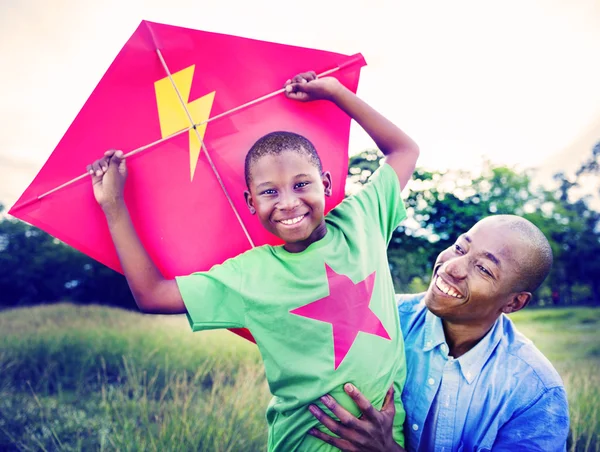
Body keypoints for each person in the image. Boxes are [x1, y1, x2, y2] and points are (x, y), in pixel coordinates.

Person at [87, 71, 420, 451]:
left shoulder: (364, 219)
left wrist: (335, 92)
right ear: (251, 203)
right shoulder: (250, 274)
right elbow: (153, 295)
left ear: (325, 184)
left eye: (301, 184)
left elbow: (404, 151)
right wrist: (113, 205)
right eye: (269, 192)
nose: (288, 202)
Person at [307, 215, 570, 451]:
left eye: (484, 269)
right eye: (459, 248)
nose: (451, 268)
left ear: (514, 303)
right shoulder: (380, 318)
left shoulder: (536, 392)